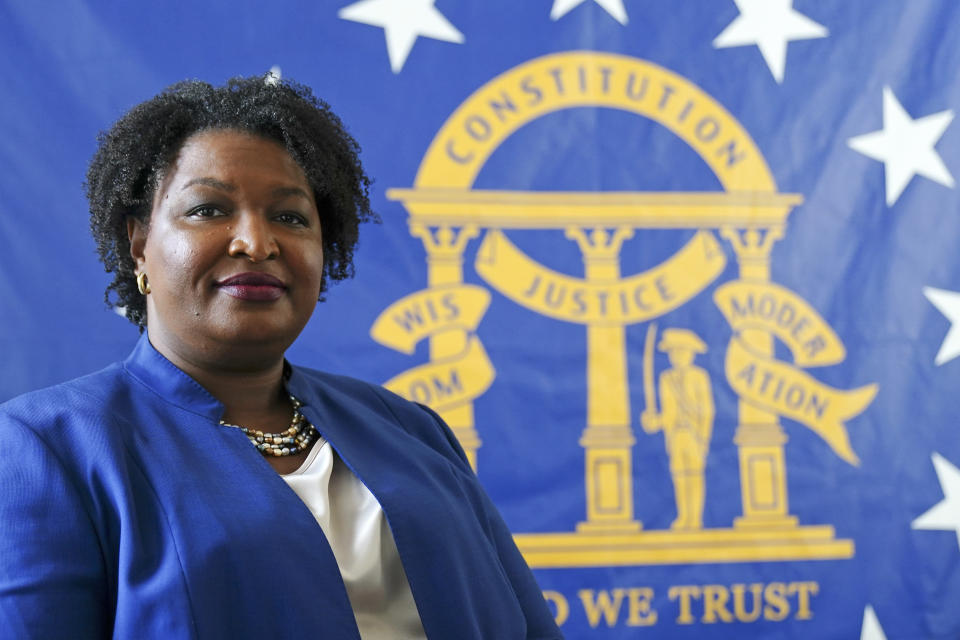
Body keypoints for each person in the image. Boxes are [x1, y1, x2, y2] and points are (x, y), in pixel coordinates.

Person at [0, 77, 561, 639]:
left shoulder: (411, 429)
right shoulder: (46, 447)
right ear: (139, 244)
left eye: (290, 217)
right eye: (207, 209)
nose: (256, 242)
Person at [640, 328, 715, 530]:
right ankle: (683, 516)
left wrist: (703, 438)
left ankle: (696, 518)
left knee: (695, 475)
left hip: (694, 434)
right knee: (680, 475)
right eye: (674, 352)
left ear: (691, 354)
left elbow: (707, 409)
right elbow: (668, 413)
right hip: (675, 435)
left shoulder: (700, 377)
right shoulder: (666, 378)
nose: (678, 356)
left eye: (682, 352)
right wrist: (655, 422)